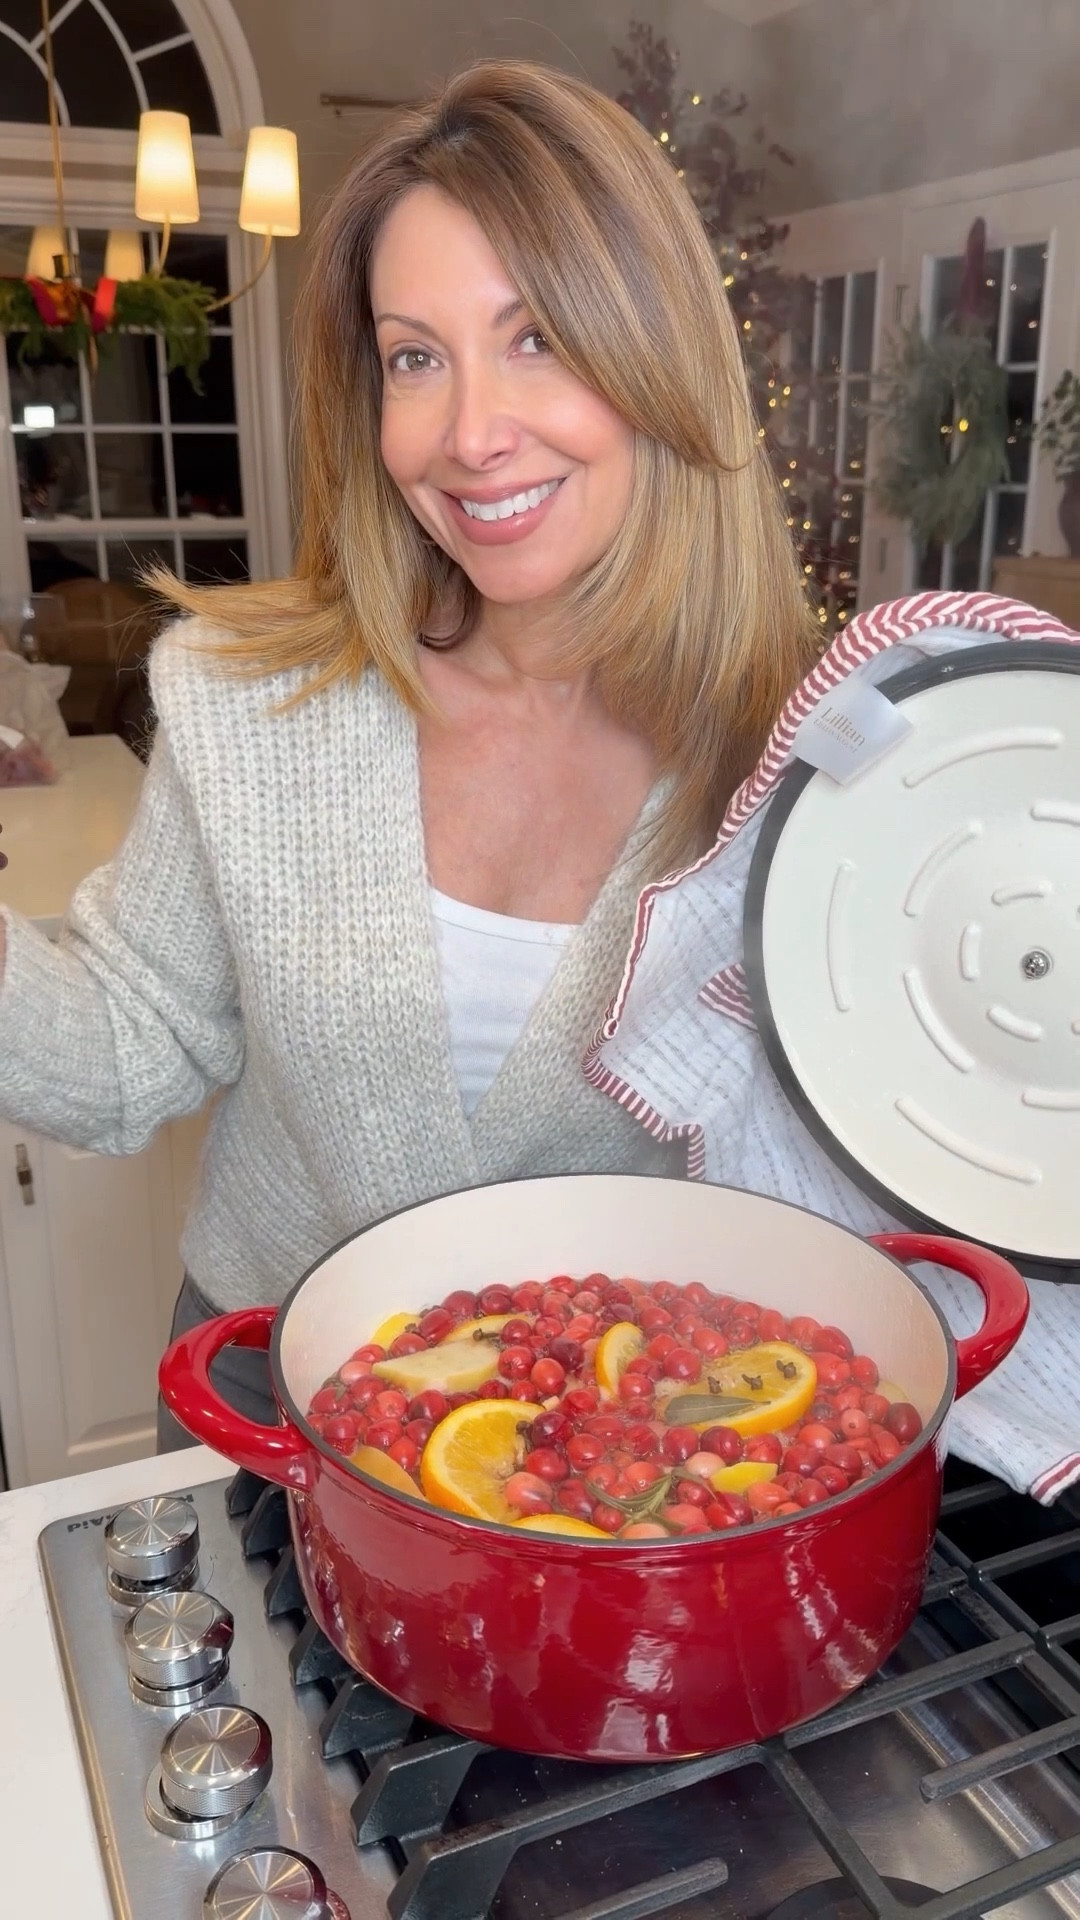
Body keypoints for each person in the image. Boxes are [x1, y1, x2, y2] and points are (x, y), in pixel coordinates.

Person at [0, 60, 816, 1450]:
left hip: (631, 1449)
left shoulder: (808, 758)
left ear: (659, 354)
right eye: (414, 356)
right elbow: (130, 1044)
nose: (469, 435)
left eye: (539, 336)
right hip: (264, 1411)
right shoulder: (253, 702)